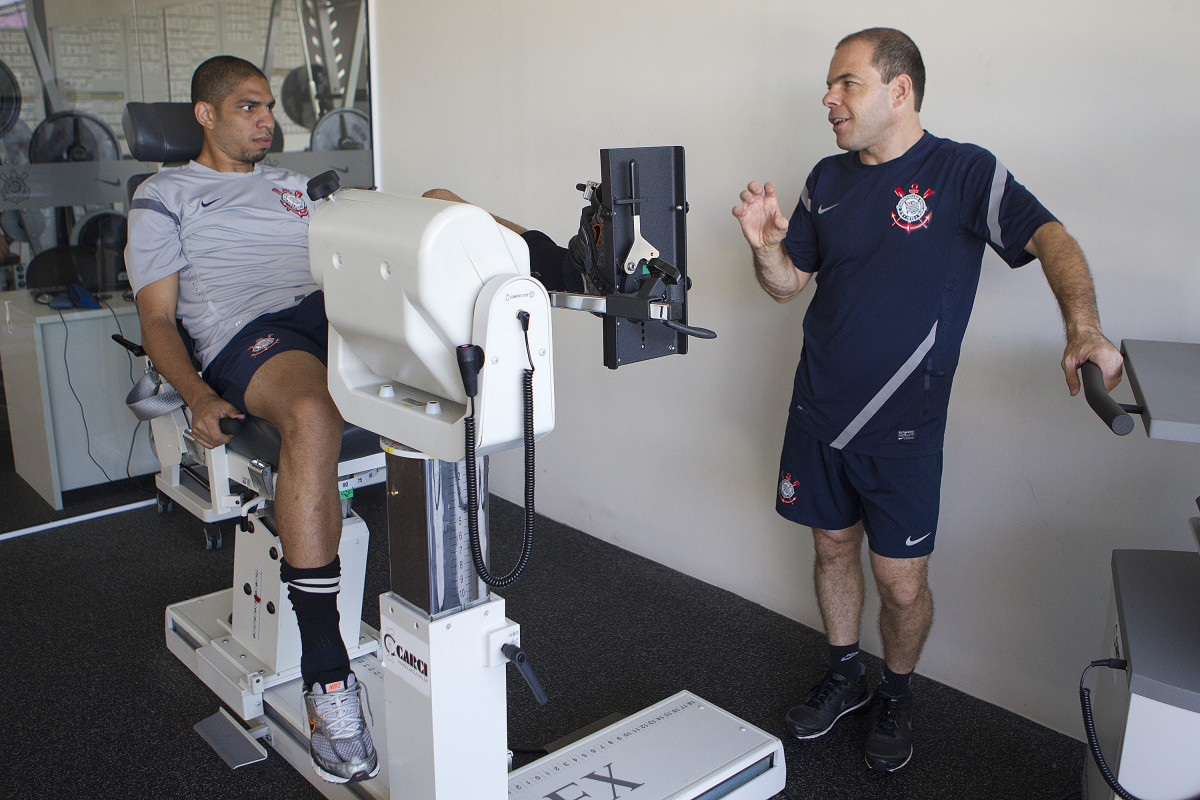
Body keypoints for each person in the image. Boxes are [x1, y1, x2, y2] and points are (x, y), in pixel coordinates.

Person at [732, 28, 1123, 773]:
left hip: (904, 432)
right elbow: (787, 286)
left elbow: (1052, 238)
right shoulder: (827, 177)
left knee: (901, 584)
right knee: (830, 546)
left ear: (899, 89)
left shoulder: (964, 172)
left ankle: (897, 690)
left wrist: (1084, 328)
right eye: (829, 84)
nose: (829, 98)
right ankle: (846, 671)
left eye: (846, 83)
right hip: (817, 414)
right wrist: (764, 246)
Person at [124, 56, 377, 785]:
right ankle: (328, 678)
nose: (267, 120)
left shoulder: (295, 188)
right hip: (248, 330)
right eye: (248, 107)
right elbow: (157, 316)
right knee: (310, 412)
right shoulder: (164, 193)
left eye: (269, 107)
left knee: (433, 209)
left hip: (329, 310)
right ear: (205, 114)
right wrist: (198, 394)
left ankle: (570, 265)